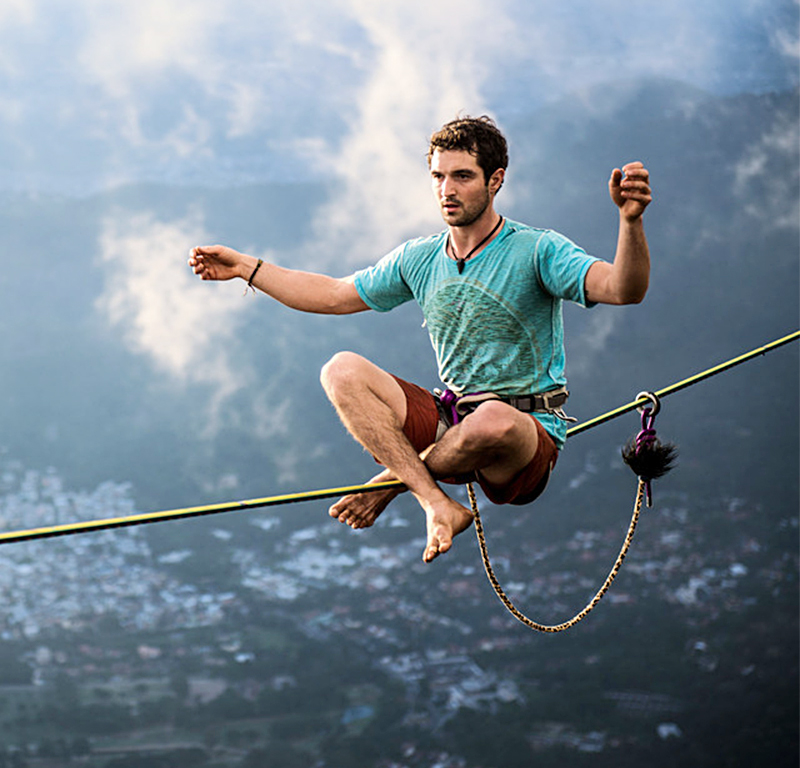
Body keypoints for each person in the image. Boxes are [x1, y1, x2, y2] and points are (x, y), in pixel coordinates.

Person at [188, 115, 652, 564]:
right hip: (451, 423)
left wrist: (629, 222)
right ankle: (436, 504)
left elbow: (623, 289)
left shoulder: (537, 249)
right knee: (341, 369)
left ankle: (393, 479)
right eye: (438, 176)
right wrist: (246, 268)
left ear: (496, 181)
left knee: (494, 418)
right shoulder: (421, 257)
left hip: (522, 440)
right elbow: (332, 295)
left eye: (463, 176)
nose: (447, 190)